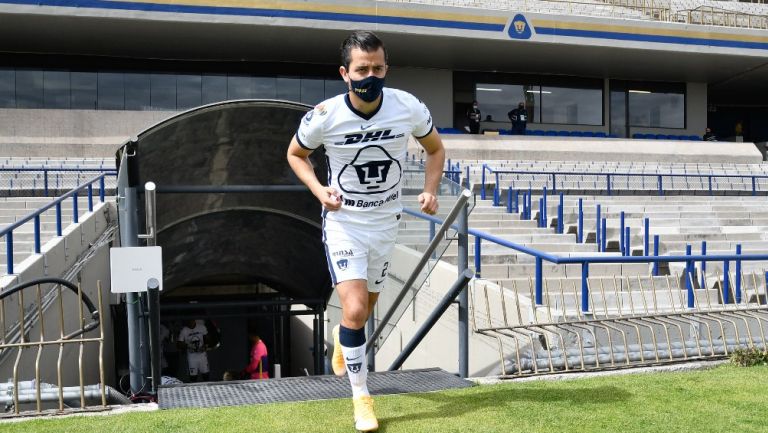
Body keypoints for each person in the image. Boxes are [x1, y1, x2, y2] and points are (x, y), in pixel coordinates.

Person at [286, 30, 444, 432]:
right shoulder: (324, 116)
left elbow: (435, 148)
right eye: (362, 69)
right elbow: (295, 153)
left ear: (386, 68)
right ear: (345, 73)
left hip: (386, 223)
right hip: (345, 223)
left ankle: (344, 338)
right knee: (355, 310)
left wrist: (429, 189)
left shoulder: (406, 106)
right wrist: (319, 189)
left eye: (377, 68)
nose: (370, 75)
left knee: (363, 312)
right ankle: (361, 397)